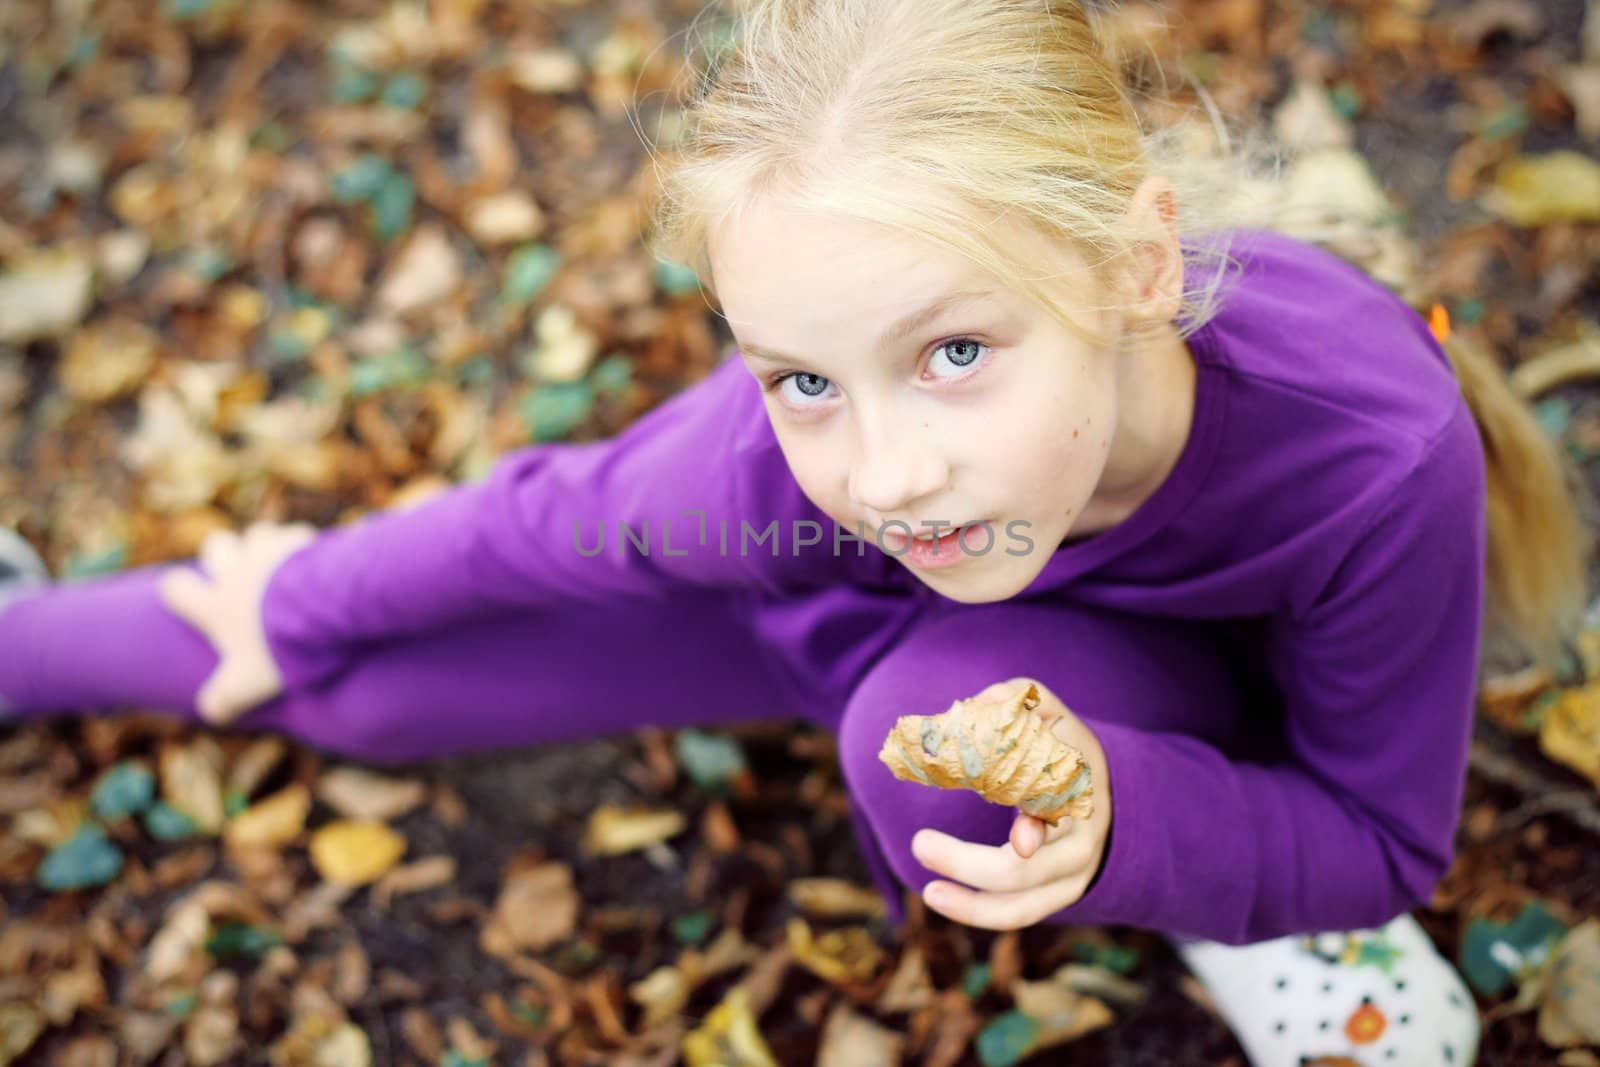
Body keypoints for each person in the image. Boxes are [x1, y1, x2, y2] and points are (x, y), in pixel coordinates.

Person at [1, 0, 1590, 1062]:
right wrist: (300, 598)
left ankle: (1220, 908)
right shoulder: (785, 481)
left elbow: (1384, 834)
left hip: (1178, 712)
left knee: (931, 756)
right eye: (806, 376)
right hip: (832, 616)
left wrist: (1129, 821)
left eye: (955, 352)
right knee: (355, 688)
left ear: (1133, 268)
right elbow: (546, 527)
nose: (884, 467)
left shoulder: (1370, 466)